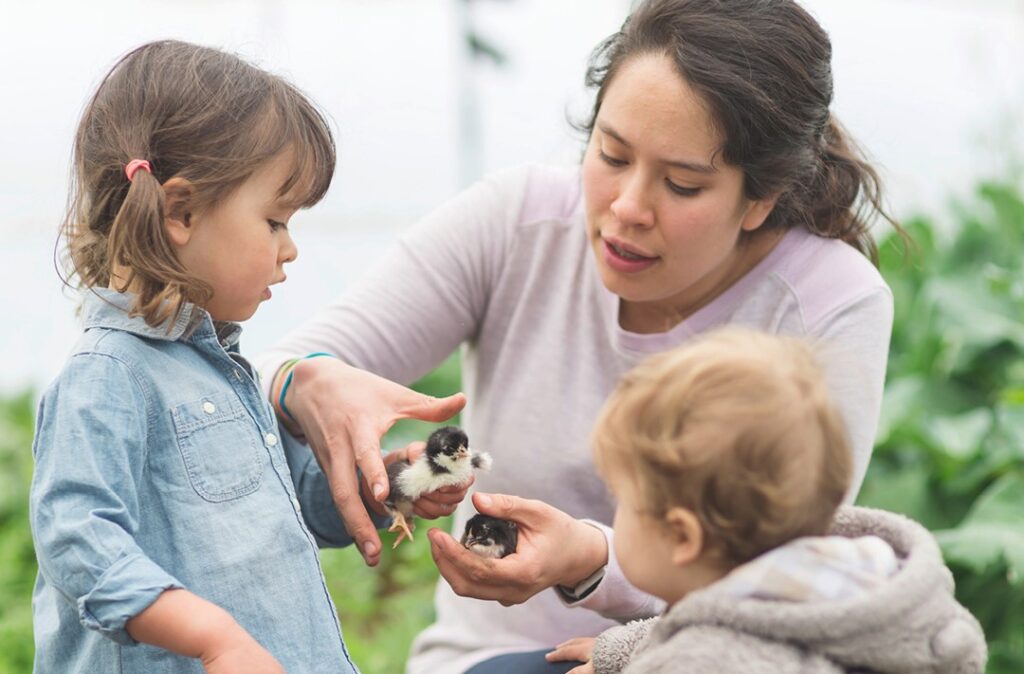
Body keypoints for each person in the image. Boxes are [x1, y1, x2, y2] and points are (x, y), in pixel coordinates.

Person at [254, 0, 902, 671]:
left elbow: (792, 575)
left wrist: (594, 564)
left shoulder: (829, 302)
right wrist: (307, 382)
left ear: (762, 197)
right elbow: (276, 365)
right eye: (611, 154)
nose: (627, 207)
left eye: (682, 185)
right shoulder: (516, 224)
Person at [29, 40, 466, 674]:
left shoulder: (225, 373)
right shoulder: (108, 376)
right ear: (180, 211)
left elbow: (292, 509)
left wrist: (391, 486)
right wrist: (213, 638)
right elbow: (78, 540)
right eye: (275, 221)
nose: (290, 250)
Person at [543, 329, 987, 674]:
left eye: (623, 499)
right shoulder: (866, 594)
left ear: (682, 535)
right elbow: (748, 621)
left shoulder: (703, 662)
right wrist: (633, 650)